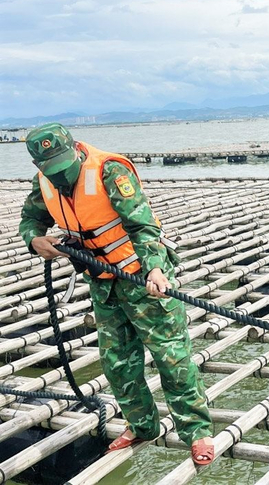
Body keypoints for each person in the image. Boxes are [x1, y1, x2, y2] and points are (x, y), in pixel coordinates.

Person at [19, 123, 214, 465]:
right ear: (39, 166)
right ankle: (142, 425)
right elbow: (30, 220)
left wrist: (154, 267)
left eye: (64, 166)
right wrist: (35, 240)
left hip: (141, 274)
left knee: (171, 357)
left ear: (76, 149)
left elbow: (143, 226)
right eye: (51, 170)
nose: (60, 175)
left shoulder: (110, 170)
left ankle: (197, 432)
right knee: (117, 362)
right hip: (103, 281)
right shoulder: (44, 182)